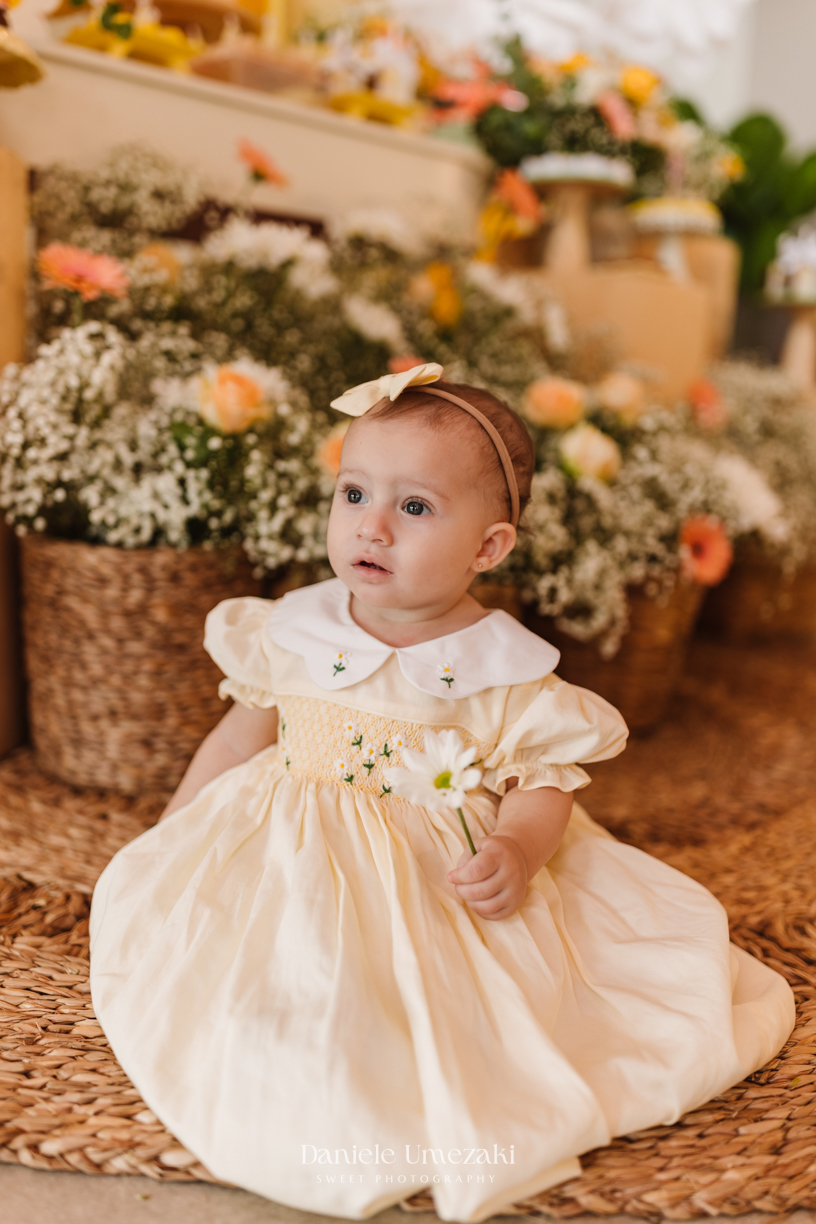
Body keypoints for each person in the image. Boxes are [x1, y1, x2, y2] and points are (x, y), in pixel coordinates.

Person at [90, 363, 795, 1224]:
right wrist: (177, 828)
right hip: (288, 843)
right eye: (354, 494)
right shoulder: (297, 632)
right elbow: (242, 735)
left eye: (415, 508)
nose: (372, 527)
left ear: (489, 547)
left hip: (433, 868)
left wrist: (517, 848)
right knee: (273, 977)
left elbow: (541, 782)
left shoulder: (501, 670)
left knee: (439, 1005)